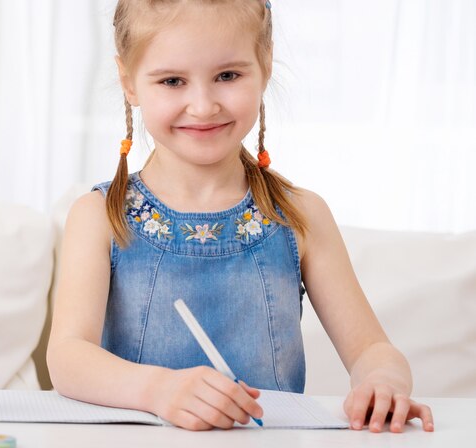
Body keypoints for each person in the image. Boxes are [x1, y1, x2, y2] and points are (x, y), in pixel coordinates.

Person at [47, 0, 434, 432]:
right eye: (172, 80)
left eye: (227, 76)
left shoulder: (302, 215)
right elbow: (67, 357)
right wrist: (156, 390)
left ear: (265, 65)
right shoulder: (99, 216)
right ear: (129, 83)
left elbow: (372, 350)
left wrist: (383, 381)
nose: (203, 105)